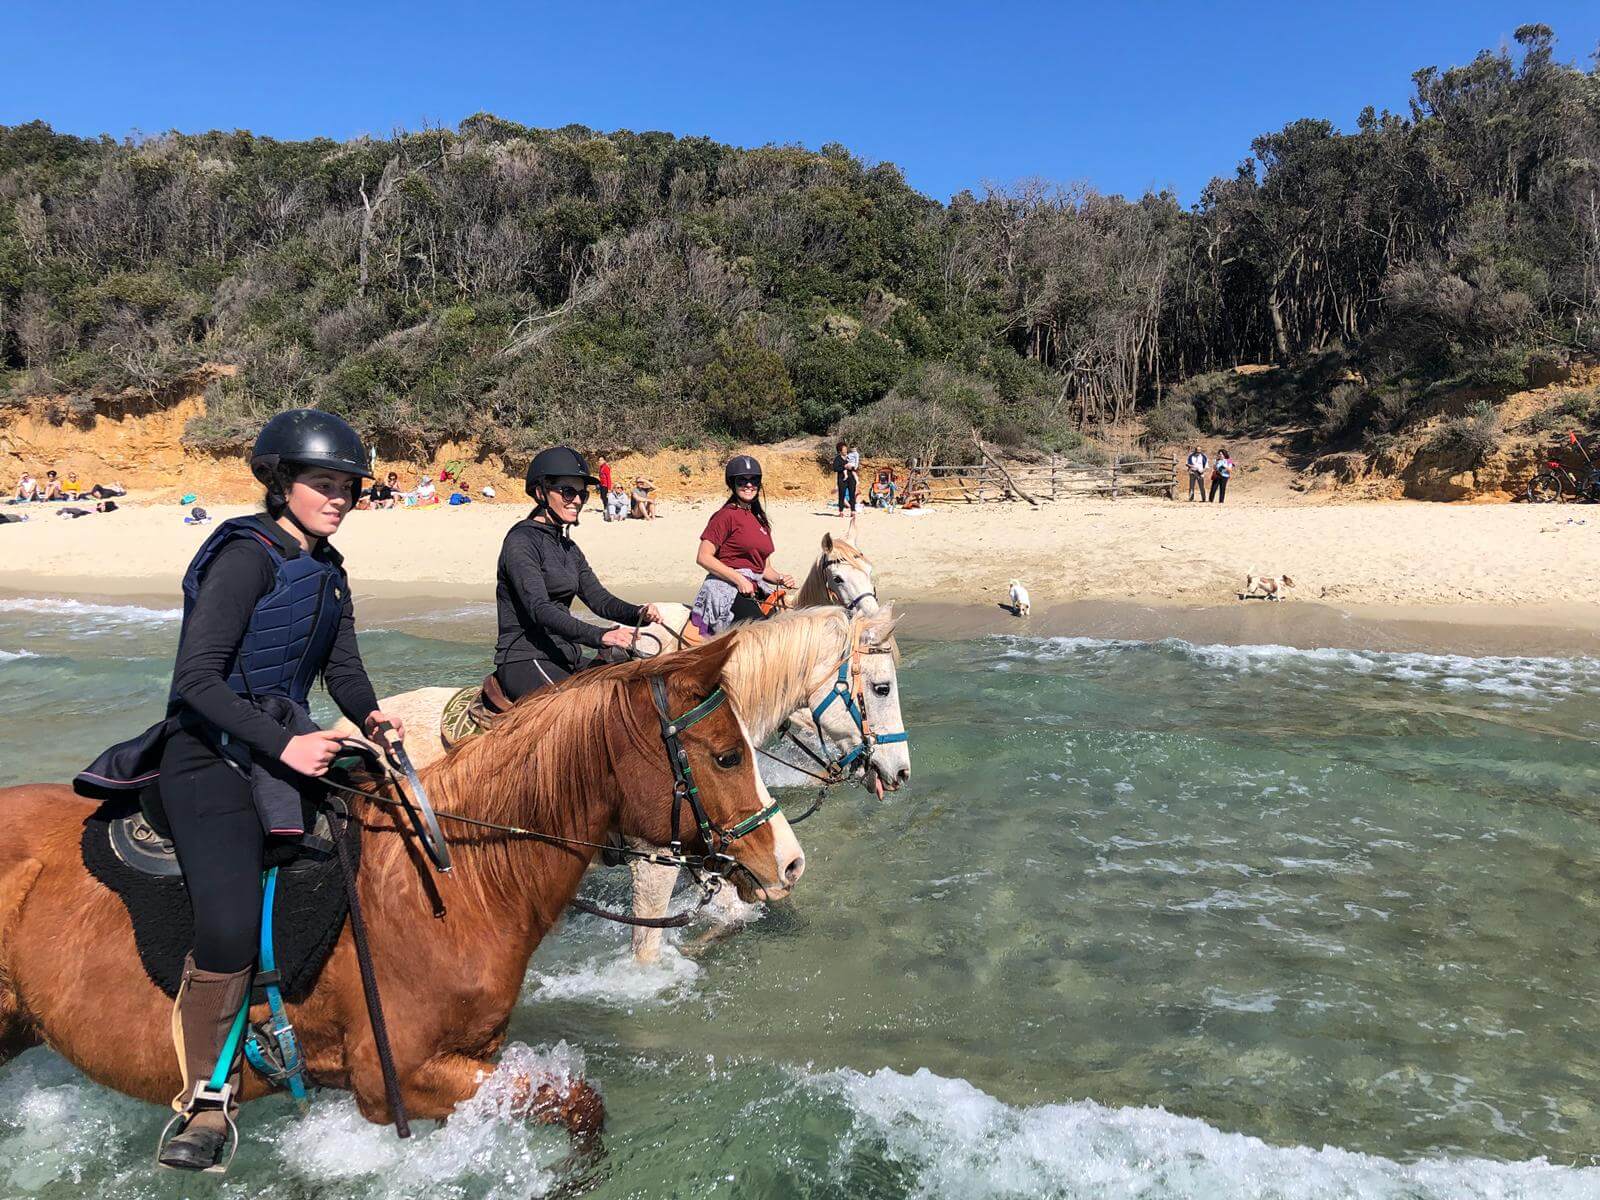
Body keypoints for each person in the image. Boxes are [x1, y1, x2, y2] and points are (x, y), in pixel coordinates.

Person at [148, 409, 398, 1171]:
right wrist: (287, 742)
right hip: (208, 752)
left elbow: (343, 671)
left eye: (348, 487)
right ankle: (207, 1099)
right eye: (323, 483)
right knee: (226, 917)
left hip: (286, 744)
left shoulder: (330, 570)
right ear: (281, 481)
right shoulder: (245, 556)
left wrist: (373, 717)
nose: (339, 497)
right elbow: (195, 679)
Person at [492, 447, 663, 701]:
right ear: (541, 492)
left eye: (582, 493)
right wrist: (600, 636)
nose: (578, 500)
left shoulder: (569, 548)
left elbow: (599, 600)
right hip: (525, 657)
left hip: (565, 655)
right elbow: (539, 608)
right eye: (568, 491)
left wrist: (637, 613)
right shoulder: (521, 542)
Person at [688, 455, 796, 638]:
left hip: (754, 587)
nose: (748, 485)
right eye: (742, 481)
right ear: (733, 484)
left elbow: (764, 568)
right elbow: (704, 556)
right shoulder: (725, 516)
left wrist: (780, 578)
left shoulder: (761, 521)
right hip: (725, 587)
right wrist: (738, 579)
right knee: (763, 635)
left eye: (753, 480)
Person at [832, 441, 858, 515]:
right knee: (842, 494)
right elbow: (835, 468)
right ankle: (841, 511)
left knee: (852, 494)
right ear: (840, 451)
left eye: (846, 449)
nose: (846, 451)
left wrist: (852, 467)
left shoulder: (850, 457)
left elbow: (855, 467)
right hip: (842, 479)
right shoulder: (837, 459)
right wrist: (844, 467)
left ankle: (853, 510)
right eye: (844, 450)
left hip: (851, 478)